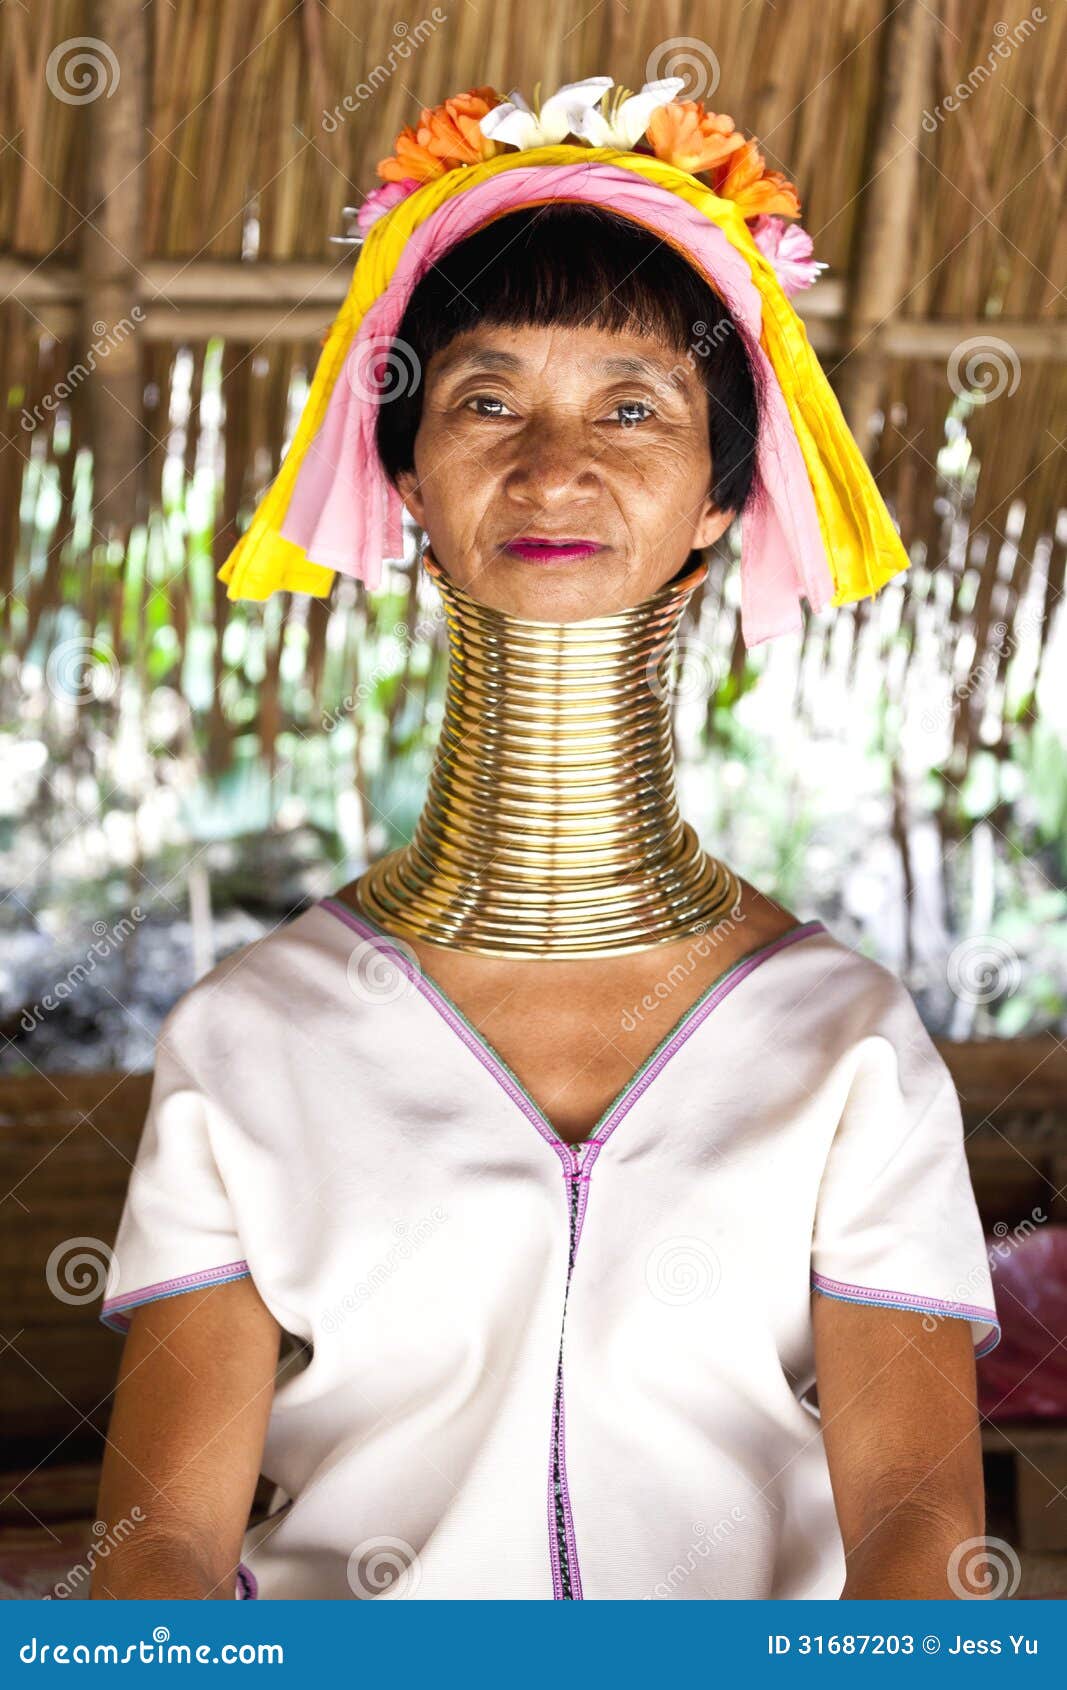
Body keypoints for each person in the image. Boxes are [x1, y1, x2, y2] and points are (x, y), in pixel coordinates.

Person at [92, 77, 999, 1601]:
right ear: (409, 483)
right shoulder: (253, 1036)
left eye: (633, 405)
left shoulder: (844, 1041)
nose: (554, 463)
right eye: (486, 399)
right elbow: (165, 1550)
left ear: (722, 498)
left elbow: (919, 1542)